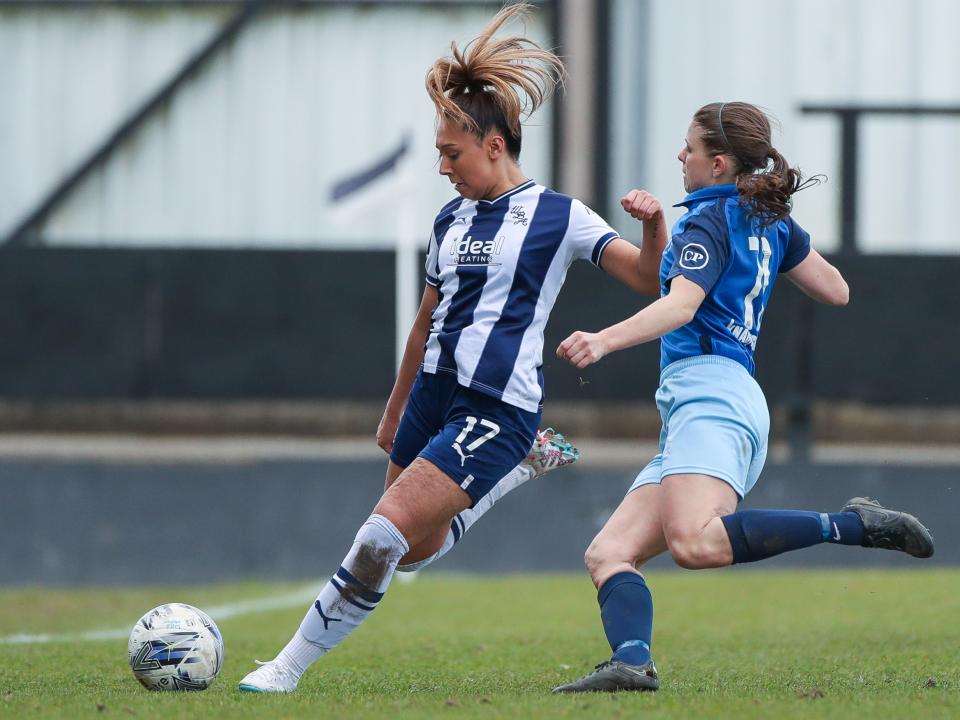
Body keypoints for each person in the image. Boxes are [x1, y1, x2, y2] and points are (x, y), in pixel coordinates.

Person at [238, 3, 666, 693]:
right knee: (410, 551)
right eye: (439, 153)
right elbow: (424, 322)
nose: (443, 166)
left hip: (495, 405)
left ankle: (285, 669)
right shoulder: (450, 219)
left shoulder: (559, 216)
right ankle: (518, 471)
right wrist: (393, 410)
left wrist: (653, 226)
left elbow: (648, 279)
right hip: (433, 396)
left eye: (451, 152)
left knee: (379, 538)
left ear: (494, 145)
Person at [552, 101, 935, 694]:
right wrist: (770, 241)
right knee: (608, 553)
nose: (681, 157)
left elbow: (681, 305)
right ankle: (631, 662)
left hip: (711, 395)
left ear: (719, 162)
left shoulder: (705, 220)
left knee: (694, 542)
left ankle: (852, 526)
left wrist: (602, 340)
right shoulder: (769, 219)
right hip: (712, 402)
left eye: (690, 148)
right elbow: (836, 290)